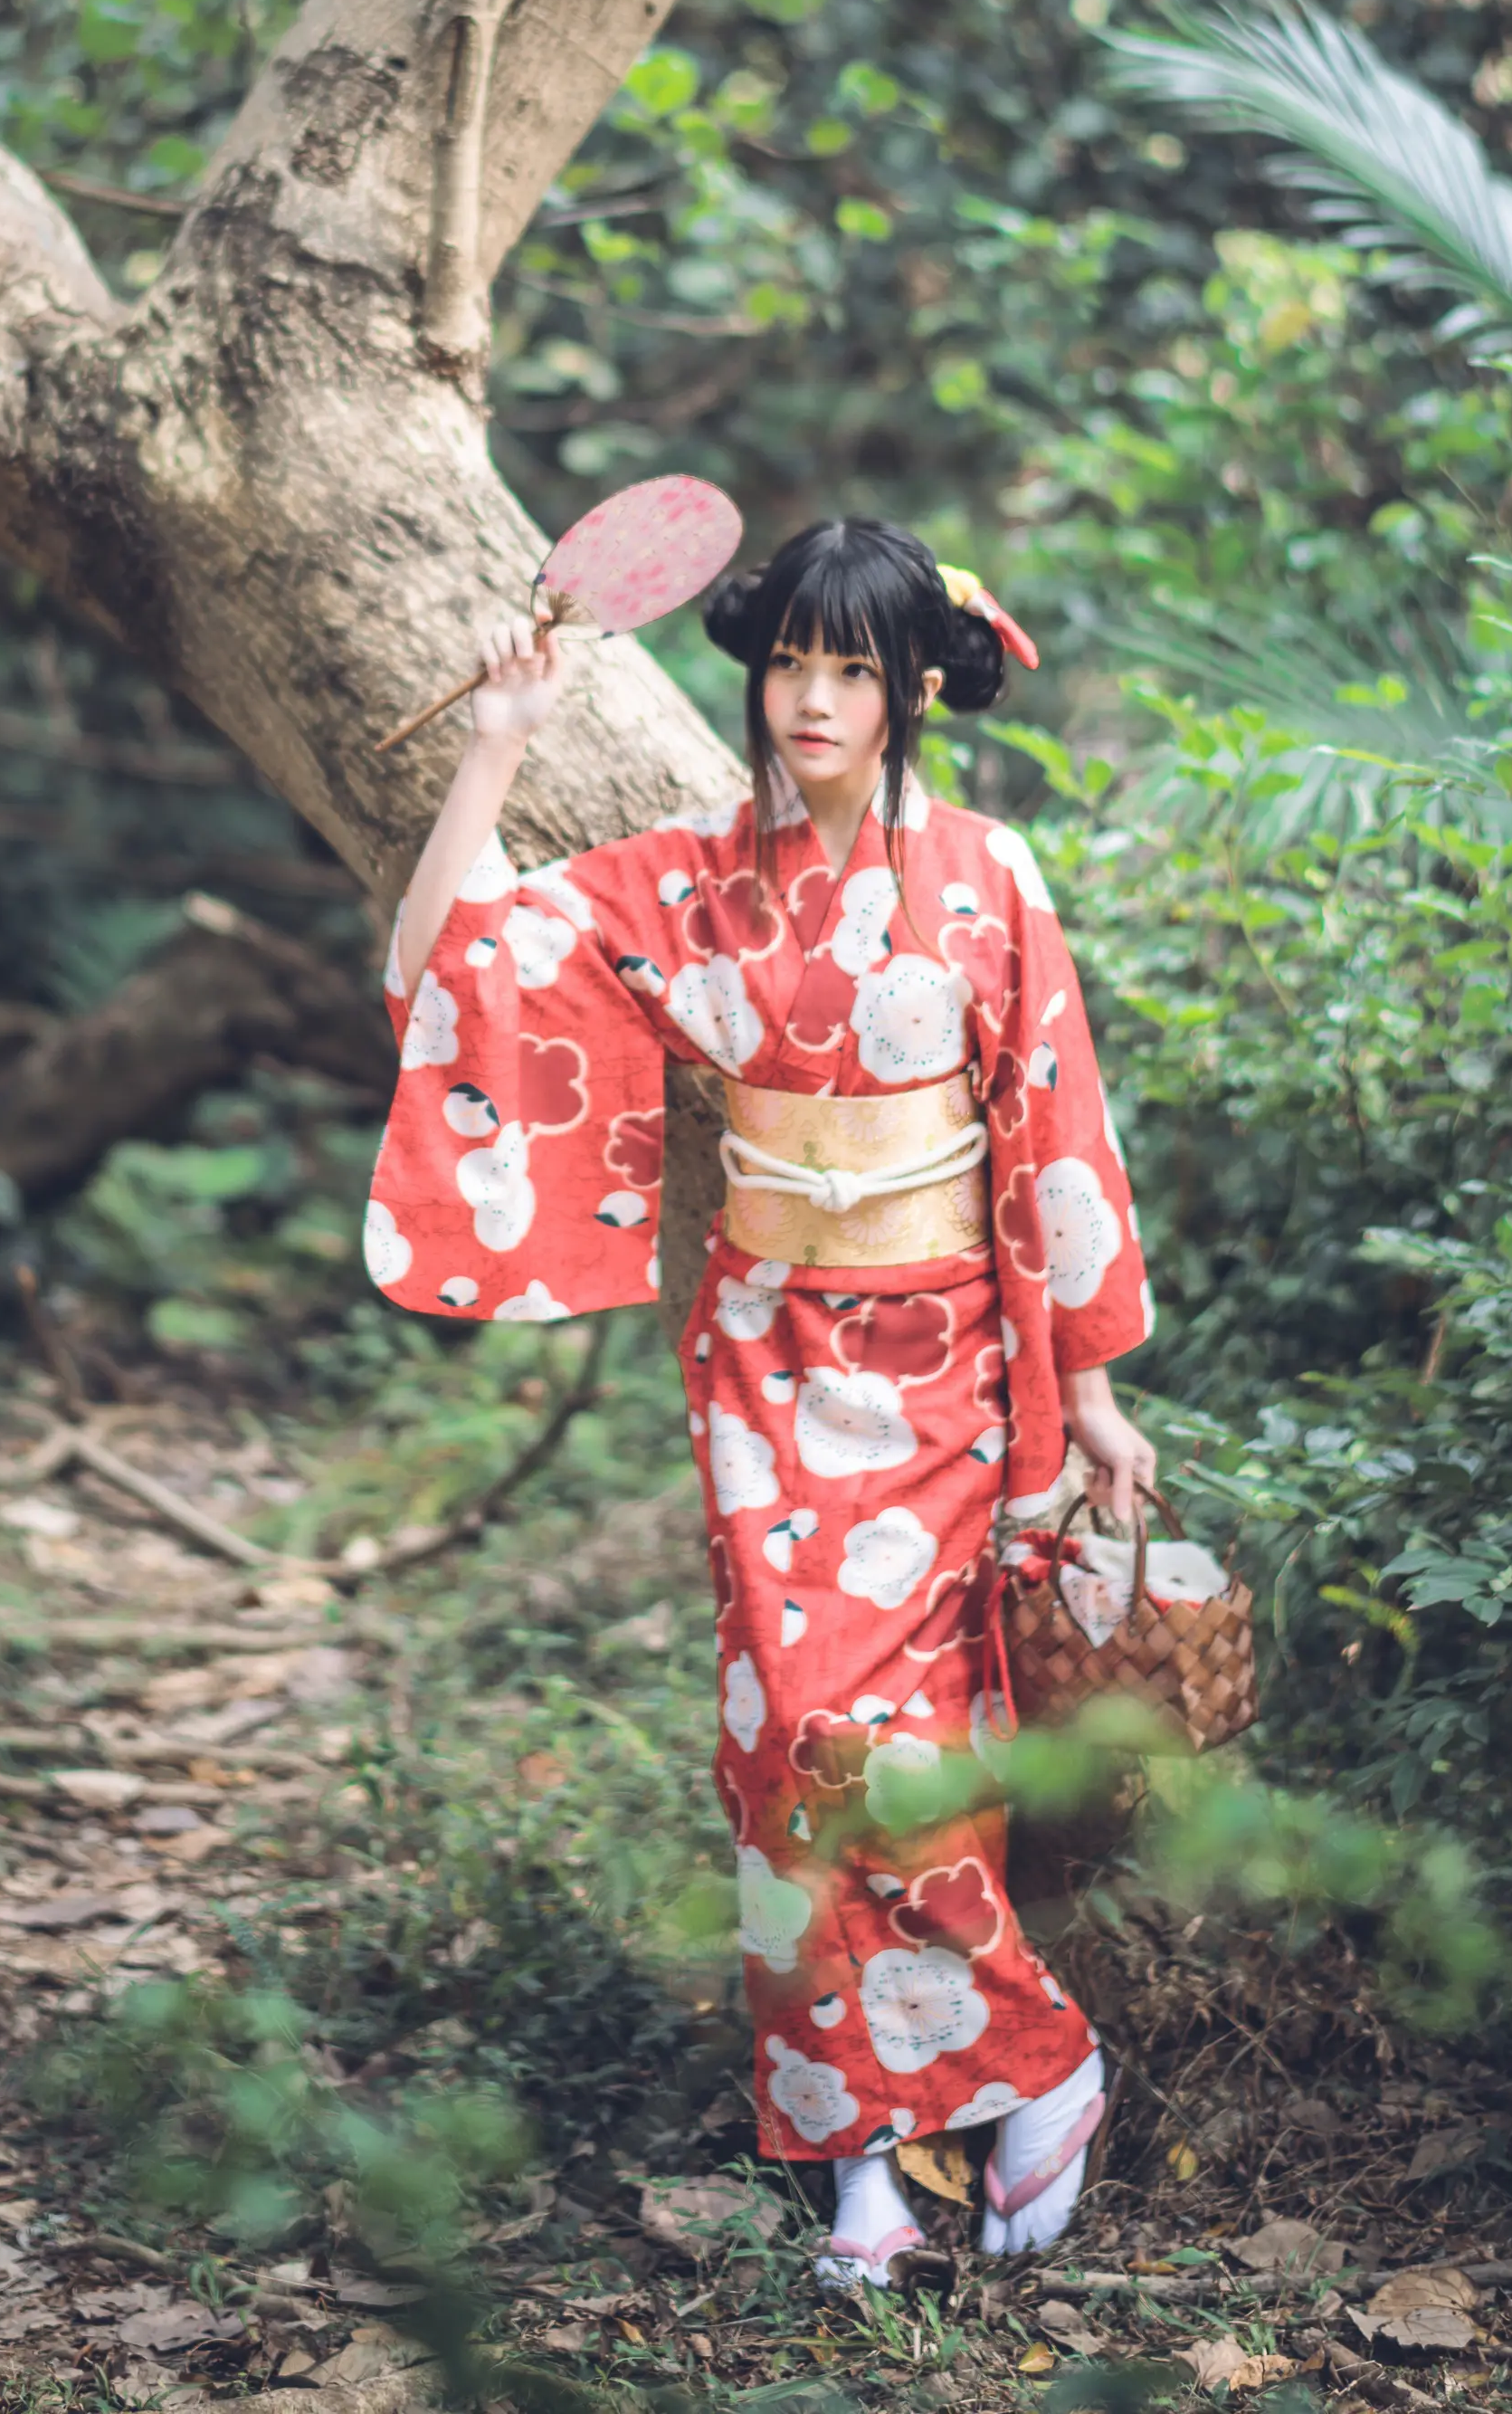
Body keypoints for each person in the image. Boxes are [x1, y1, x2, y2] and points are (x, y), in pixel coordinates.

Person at [366, 519, 1155, 2287]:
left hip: (952, 1364)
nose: (812, 698)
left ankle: (1022, 2069)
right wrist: (498, 739)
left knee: (912, 1755)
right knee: (784, 1745)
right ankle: (869, 2155)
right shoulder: (685, 881)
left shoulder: (989, 876)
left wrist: (1092, 1387)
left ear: (912, 687)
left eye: (852, 668)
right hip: (767, 1357)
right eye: (790, 660)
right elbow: (441, 966)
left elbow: (1056, 1127)